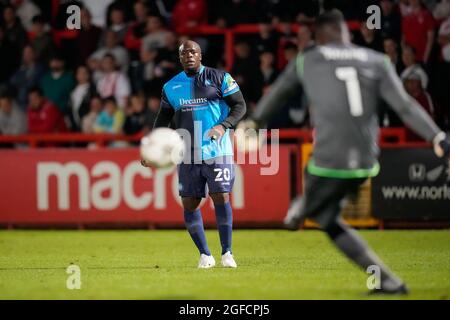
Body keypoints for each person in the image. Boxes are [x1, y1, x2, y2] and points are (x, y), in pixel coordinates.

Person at [242, 10, 450, 294]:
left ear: (319, 37)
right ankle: (387, 281)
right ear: (346, 34)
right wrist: (437, 136)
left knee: (306, 197)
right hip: (367, 159)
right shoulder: (378, 61)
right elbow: (404, 106)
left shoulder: (308, 60)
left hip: (329, 158)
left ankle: (301, 208)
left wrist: (253, 123)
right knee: (329, 220)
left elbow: (277, 94)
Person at [143, 40, 246, 269]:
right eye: (184, 52)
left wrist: (223, 126)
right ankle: (205, 255)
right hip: (187, 154)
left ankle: (227, 253)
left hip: (217, 151)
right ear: (179, 58)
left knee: (221, 196)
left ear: (200, 55)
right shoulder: (171, 87)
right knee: (190, 203)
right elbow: (162, 120)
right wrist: (152, 147)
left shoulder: (220, 78)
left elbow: (240, 106)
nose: (189, 55)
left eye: (193, 51)